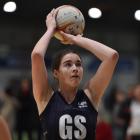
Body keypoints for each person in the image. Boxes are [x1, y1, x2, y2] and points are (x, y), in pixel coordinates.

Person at [31, 8, 119, 140]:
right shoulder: (45, 98)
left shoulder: (91, 95)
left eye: (78, 64)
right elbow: (37, 55)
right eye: (68, 64)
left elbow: (112, 56)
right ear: (56, 73)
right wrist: (51, 29)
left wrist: (74, 39)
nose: (75, 68)